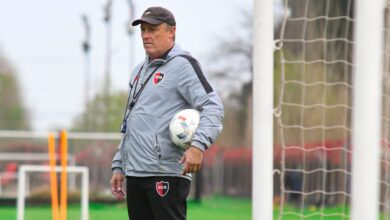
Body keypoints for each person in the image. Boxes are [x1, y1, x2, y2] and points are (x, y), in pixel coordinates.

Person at [110, 6, 224, 220]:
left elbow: (213, 106)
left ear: (171, 32)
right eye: (143, 29)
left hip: (166, 174)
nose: (145, 35)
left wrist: (198, 145)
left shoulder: (183, 66)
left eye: (153, 29)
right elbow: (131, 124)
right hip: (135, 173)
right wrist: (119, 165)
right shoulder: (137, 73)